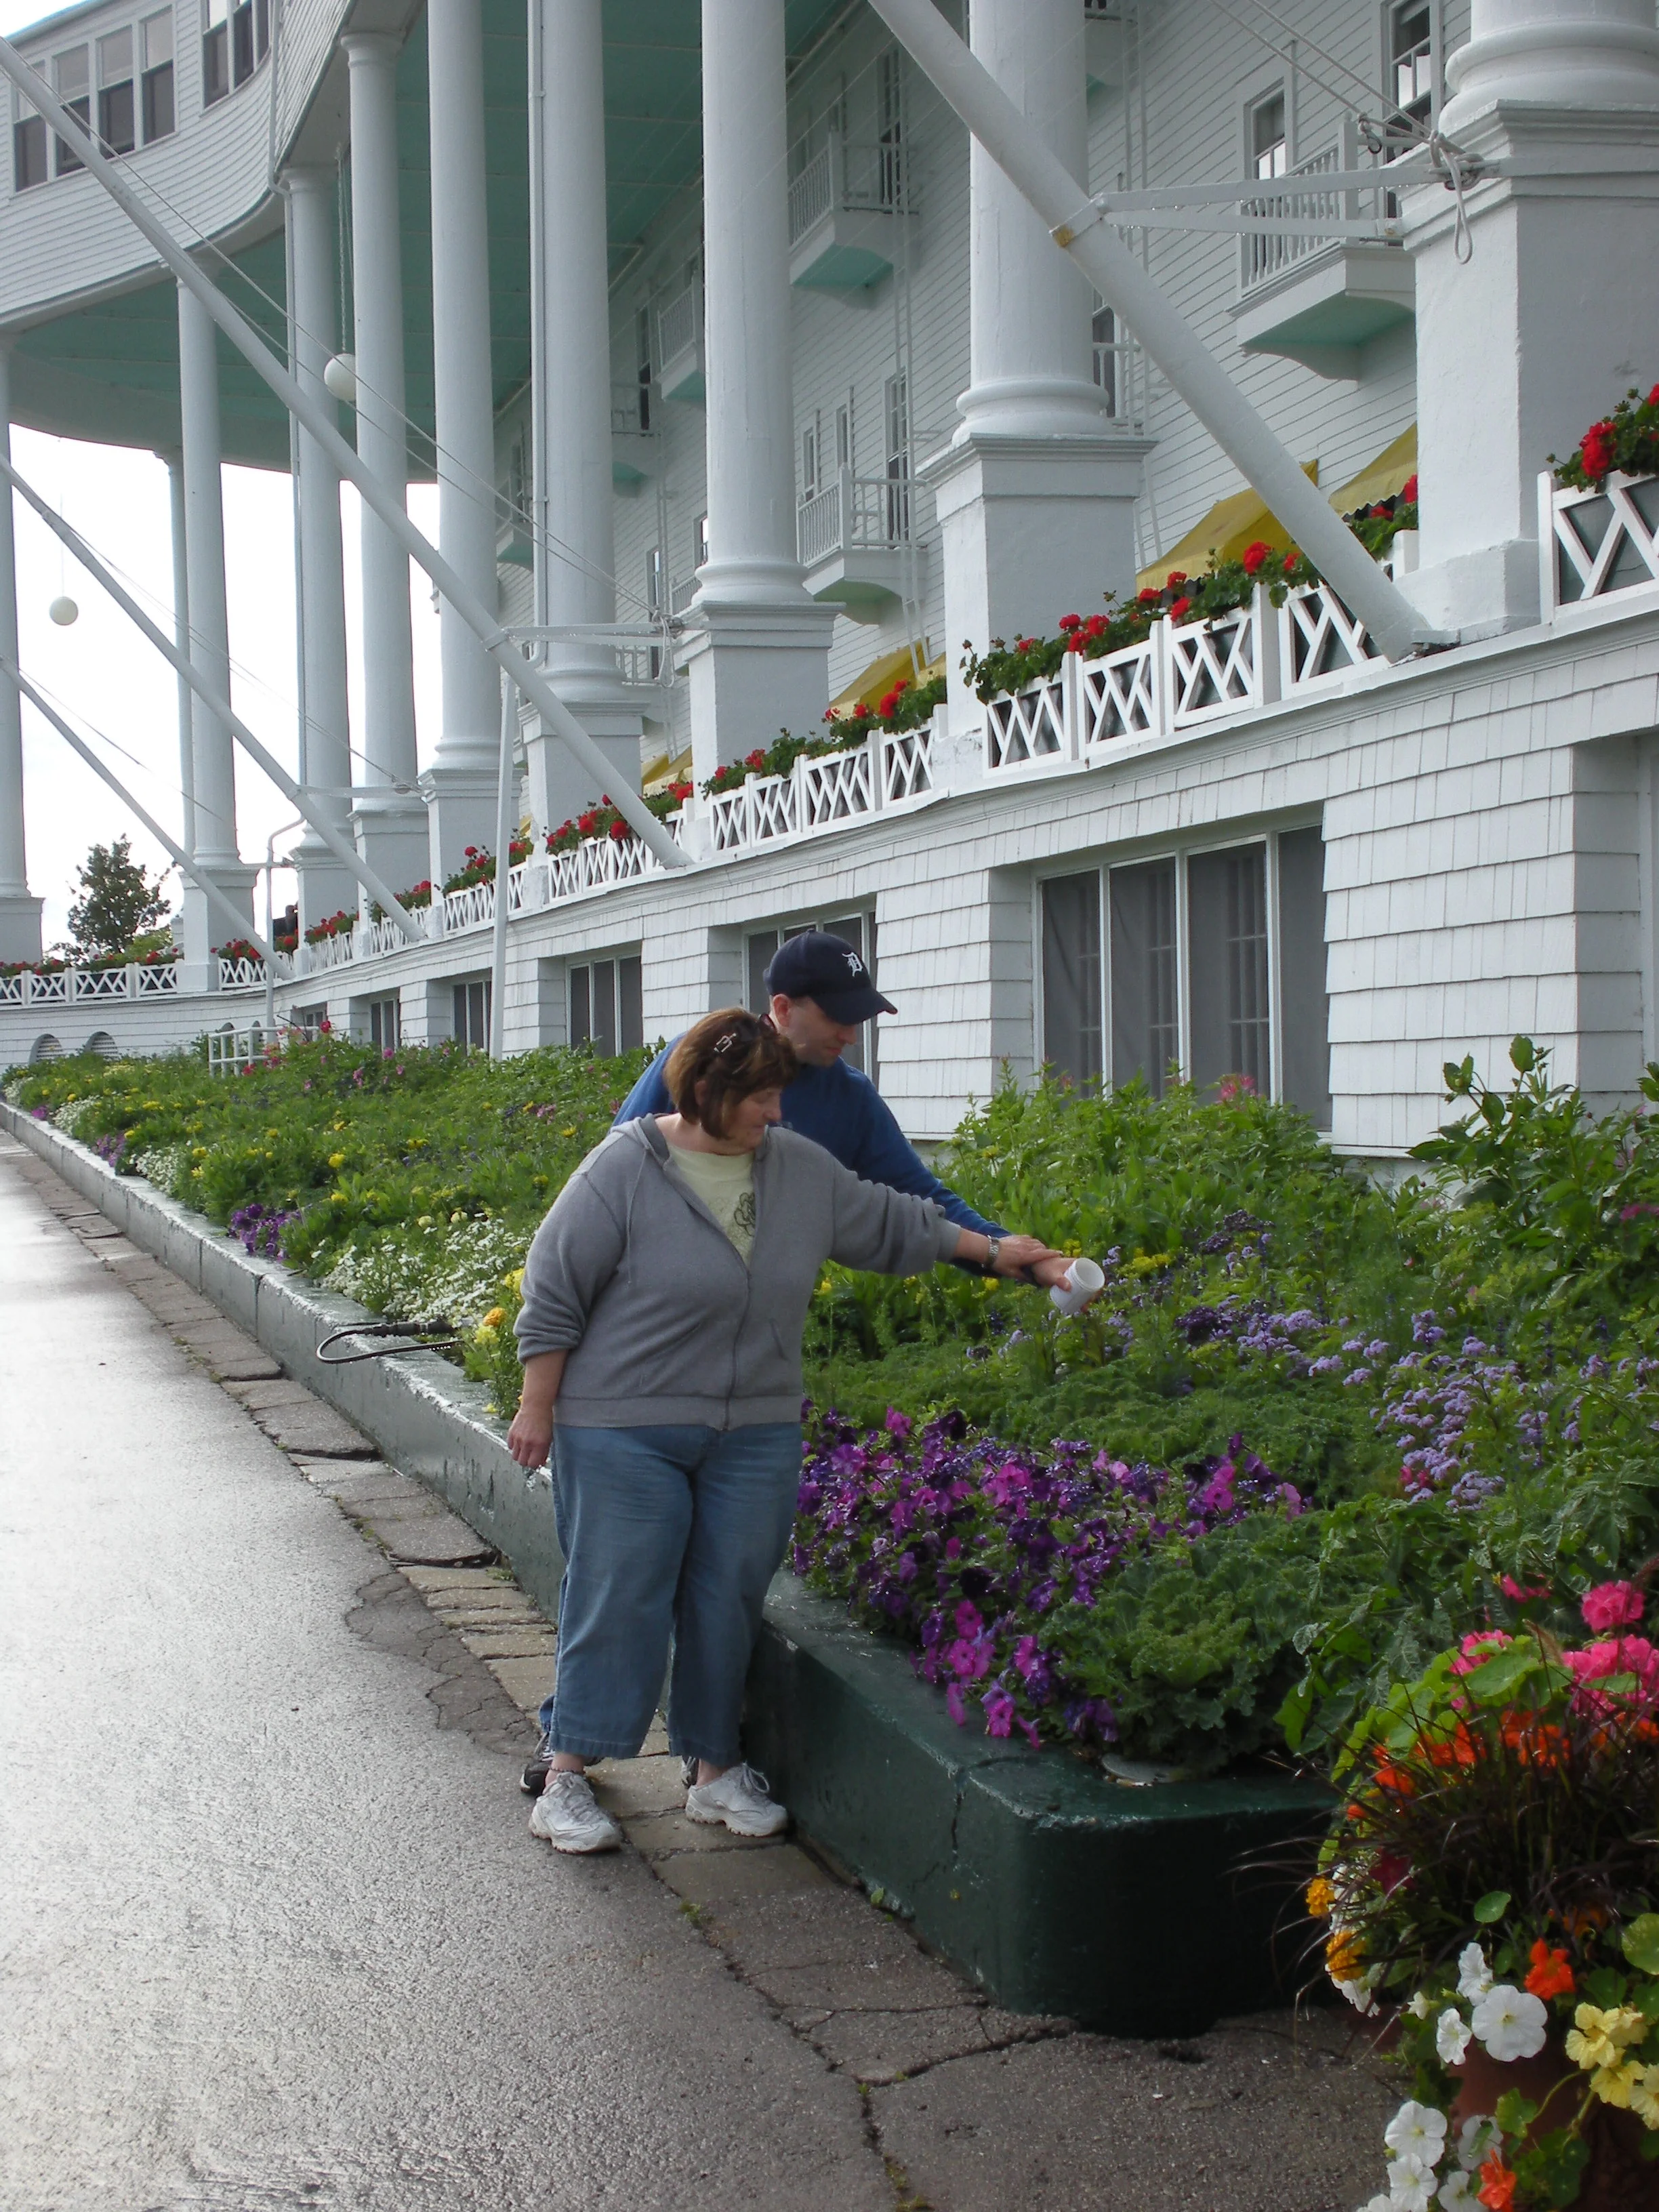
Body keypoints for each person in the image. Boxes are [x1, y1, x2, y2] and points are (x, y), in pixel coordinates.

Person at [505, 1008, 1064, 1854]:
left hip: (754, 1426)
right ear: (704, 1090)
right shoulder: (623, 1168)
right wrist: (536, 1405)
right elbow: (552, 1290)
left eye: (778, 1096)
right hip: (625, 1422)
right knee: (618, 1591)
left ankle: (713, 1771)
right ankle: (568, 1777)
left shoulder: (796, 1168)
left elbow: (892, 1220)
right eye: (758, 1098)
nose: (775, 1113)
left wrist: (996, 1251)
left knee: (729, 1594)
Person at [613, 930, 1073, 1291]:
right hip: (654, 1302)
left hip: (760, 1325)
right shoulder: (701, 1061)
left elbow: (921, 1199)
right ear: (783, 1008)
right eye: (837, 1018)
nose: (851, 1037)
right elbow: (615, 1170)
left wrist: (1015, 1254)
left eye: (857, 1021)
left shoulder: (850, 1097)